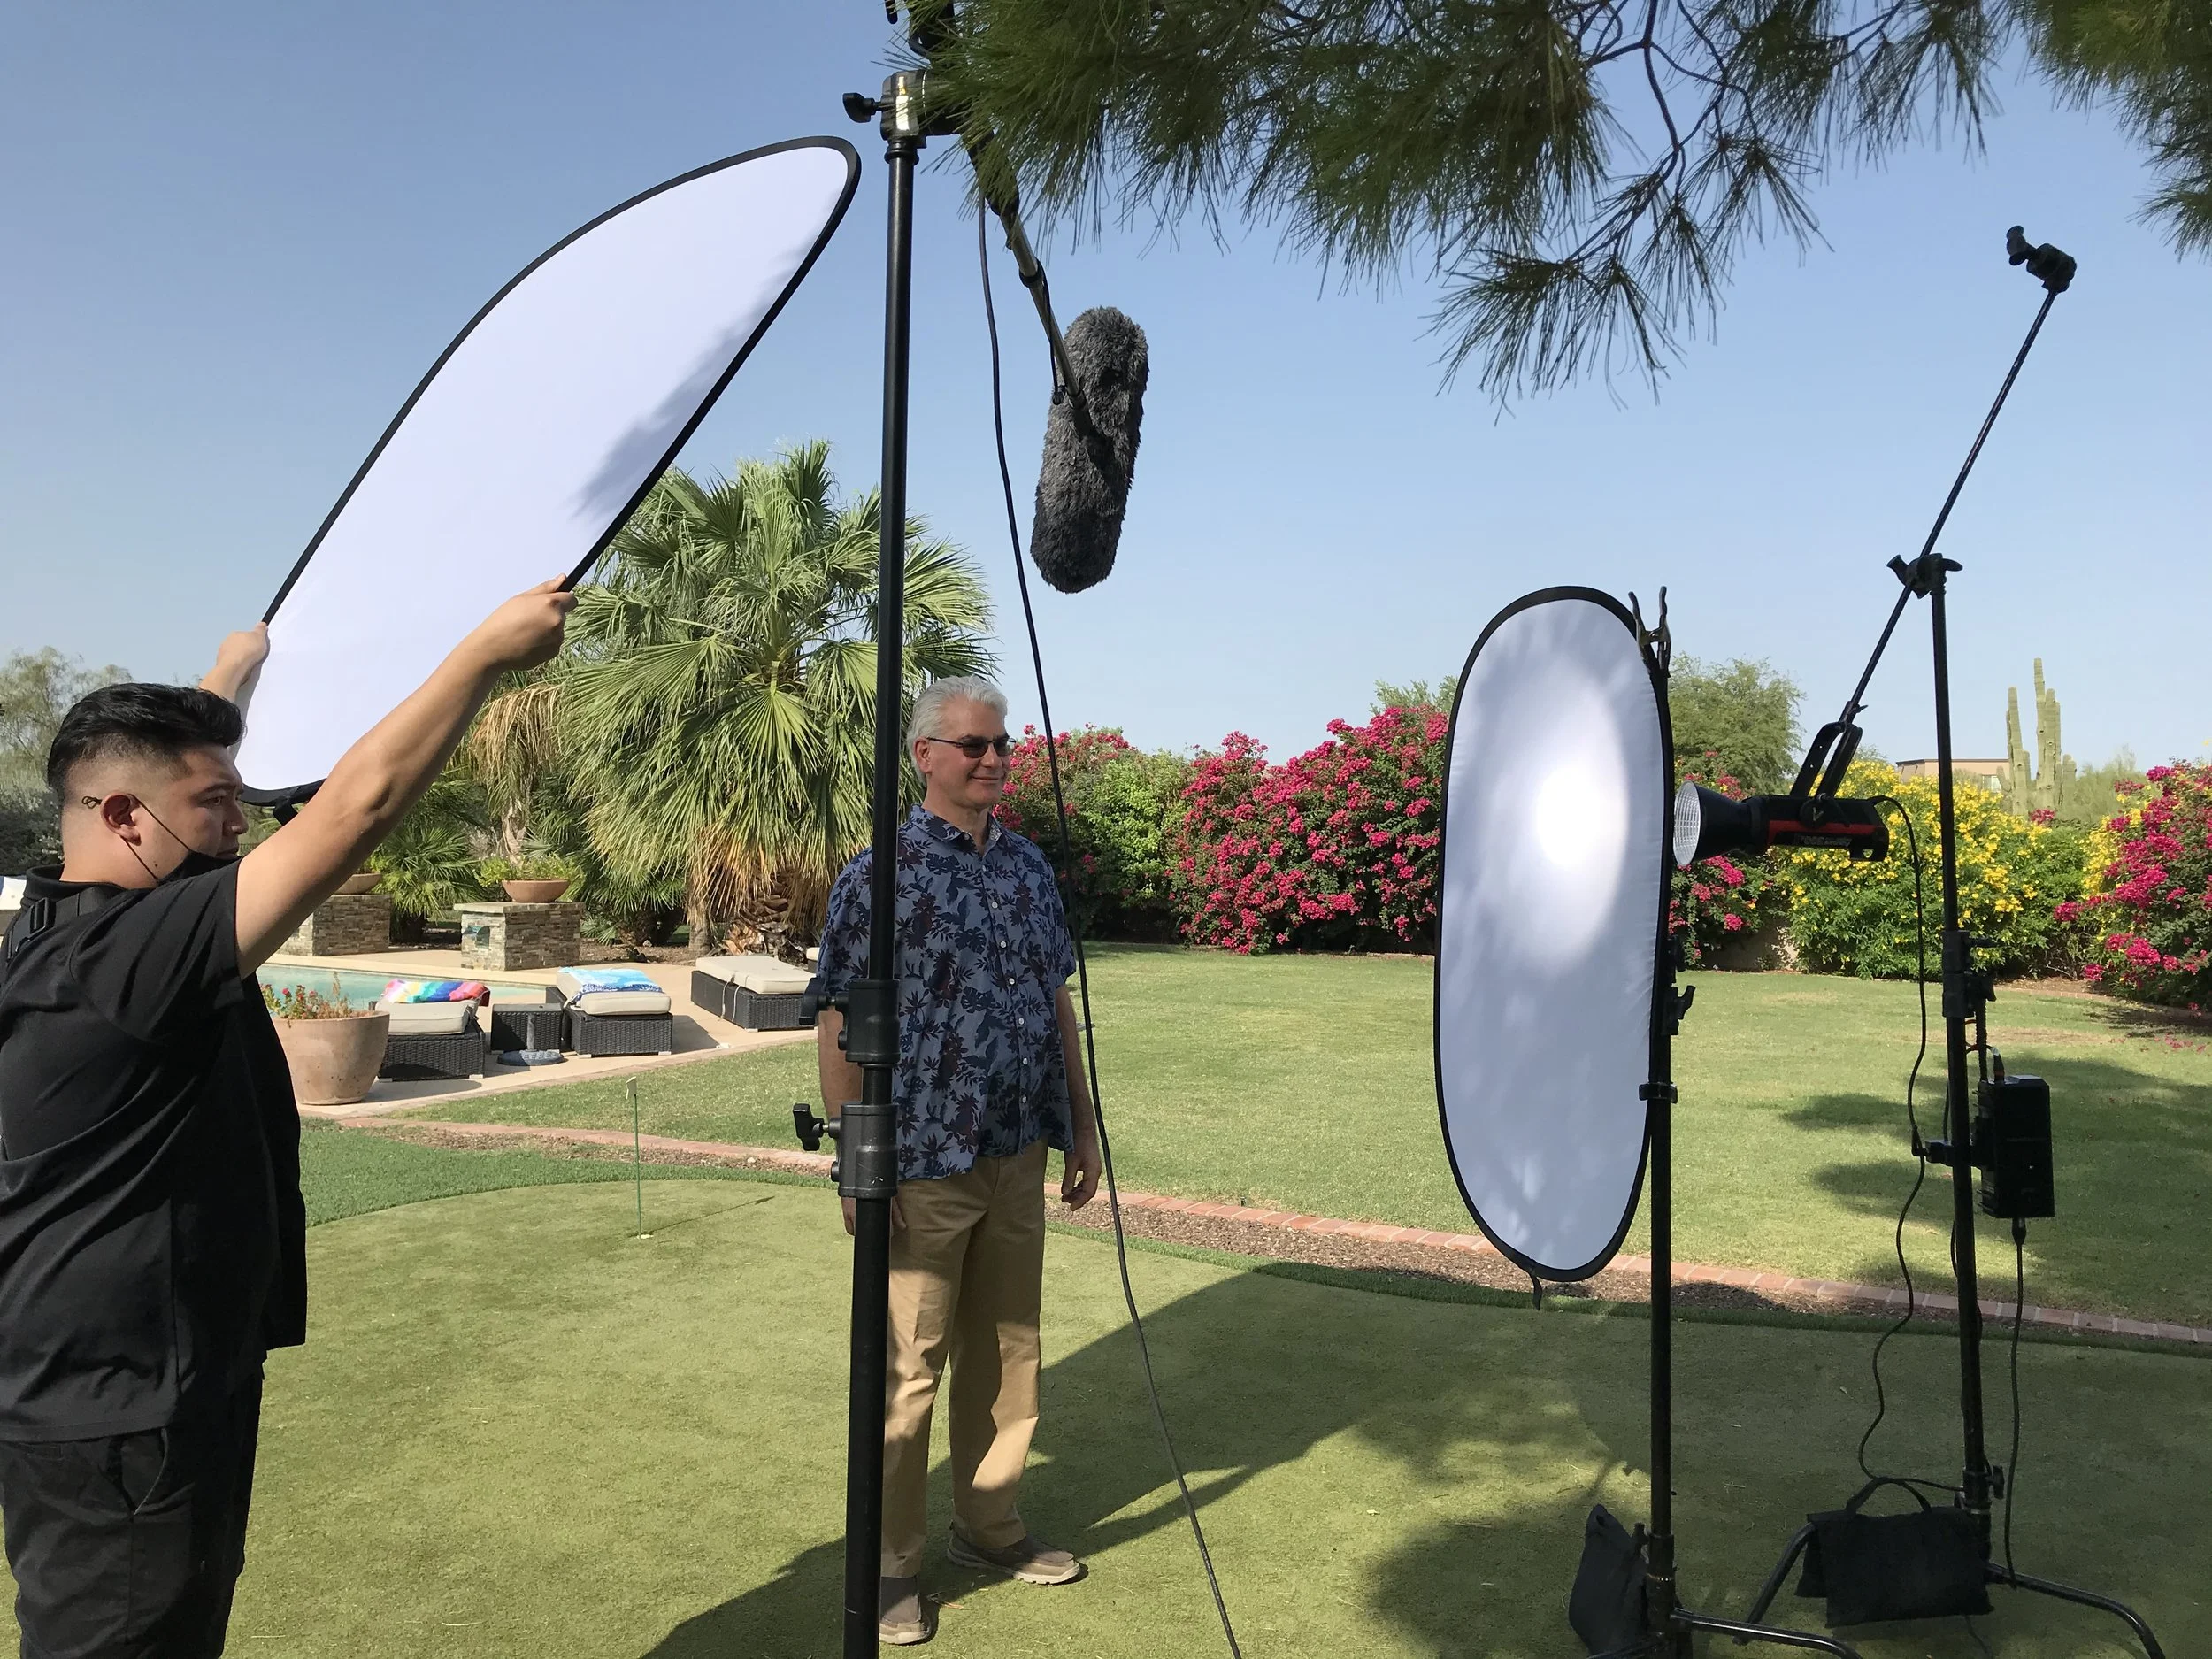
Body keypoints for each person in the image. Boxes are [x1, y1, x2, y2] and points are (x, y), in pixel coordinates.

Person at [0, 580, 572, 1658]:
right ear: (122, 817)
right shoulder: (130, 956)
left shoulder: (63, 920)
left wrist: (231, 673)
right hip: (121, 1409)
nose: (242, 820)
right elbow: (354, 809)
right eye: (216, 802)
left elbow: (175, 772)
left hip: (126, 1387)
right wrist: (482, 657)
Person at [815, 675, 1104, 1647]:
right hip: (922, 1162)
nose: (990, 760)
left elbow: (1054, 1001)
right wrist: (863, 1164)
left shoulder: (1026, 868)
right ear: (924, 756)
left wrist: (1086, 1126)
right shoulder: (879, 874)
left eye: (999, 746)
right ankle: (891, 1566)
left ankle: (991, 1526)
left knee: (1008, 1350)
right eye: (971, 746)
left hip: (1017, 1147)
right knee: (908, 1373)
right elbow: (839, 1023)